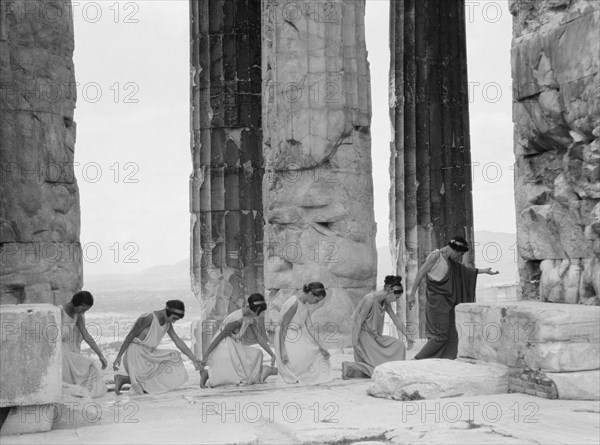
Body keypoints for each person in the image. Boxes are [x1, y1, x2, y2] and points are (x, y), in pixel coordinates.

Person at [407, 237, 499, 359]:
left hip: (448, 302)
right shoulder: (435, 256)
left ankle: (441, 362)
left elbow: (465, 271)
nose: (459, 257)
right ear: (454, 249)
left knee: (451, 334)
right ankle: (416, 359)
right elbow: (420, 273)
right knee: (439, 337)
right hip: (436, 303)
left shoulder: (450, 261)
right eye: (459, 254)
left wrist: (484, 271)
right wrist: (412, 295)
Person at [113, 300, 200, 395]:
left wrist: (194, 359)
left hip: (149, 354)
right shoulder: (148, 317)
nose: (174, 322)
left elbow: (178, 341)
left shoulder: (168, 324)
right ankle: (122, 379)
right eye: (174, 318)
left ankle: (122, 379)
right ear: (168, 311)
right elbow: (130, 336)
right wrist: (119, 356)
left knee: (174, 355)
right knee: (147, 387)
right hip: (135, 355)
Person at [341, 276, 414, 379]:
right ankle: (350, 365)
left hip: (375, 337)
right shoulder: (369, 300)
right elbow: (358, 322)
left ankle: (354, 367)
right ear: (390, 291)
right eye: (396, 297)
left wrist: (408, 336)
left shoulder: (384, 301)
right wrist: (355, 343)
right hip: (364, 337)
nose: (395, 300)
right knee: (379, 371)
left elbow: (396, 320)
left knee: (399, 345)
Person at [199, 293, 277, 388]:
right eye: (259, 312)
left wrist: (271, 354)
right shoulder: (237, 319)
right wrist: (206, 355)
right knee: (238, 377)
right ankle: (207, 374)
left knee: (257, 353)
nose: (259, 315)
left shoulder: (250, 317)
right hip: (223, 345)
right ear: (256, 309)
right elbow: (220, 336)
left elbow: (259, 337)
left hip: (234, 345)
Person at [275, 282, 333, 384]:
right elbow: (283, 326)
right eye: (317, 300)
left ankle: (303, 375)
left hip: (296, 334)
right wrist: (282, 350)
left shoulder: (304, 305)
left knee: (316, 352)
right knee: (295, 363)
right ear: (310, 294)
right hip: (285, 336)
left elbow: (310, 327)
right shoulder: (294, 303)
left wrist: (322, 346)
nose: (316, 303)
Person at [60, 290, 108, 398]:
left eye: (85, 311)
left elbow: (86, 336)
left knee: (90, 366)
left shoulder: (77, 315)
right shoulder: (60, 312)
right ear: (77, 302)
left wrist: (100, 355)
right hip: (59, 353)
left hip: (67, 351)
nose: (83, 313)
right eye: (83, 309)